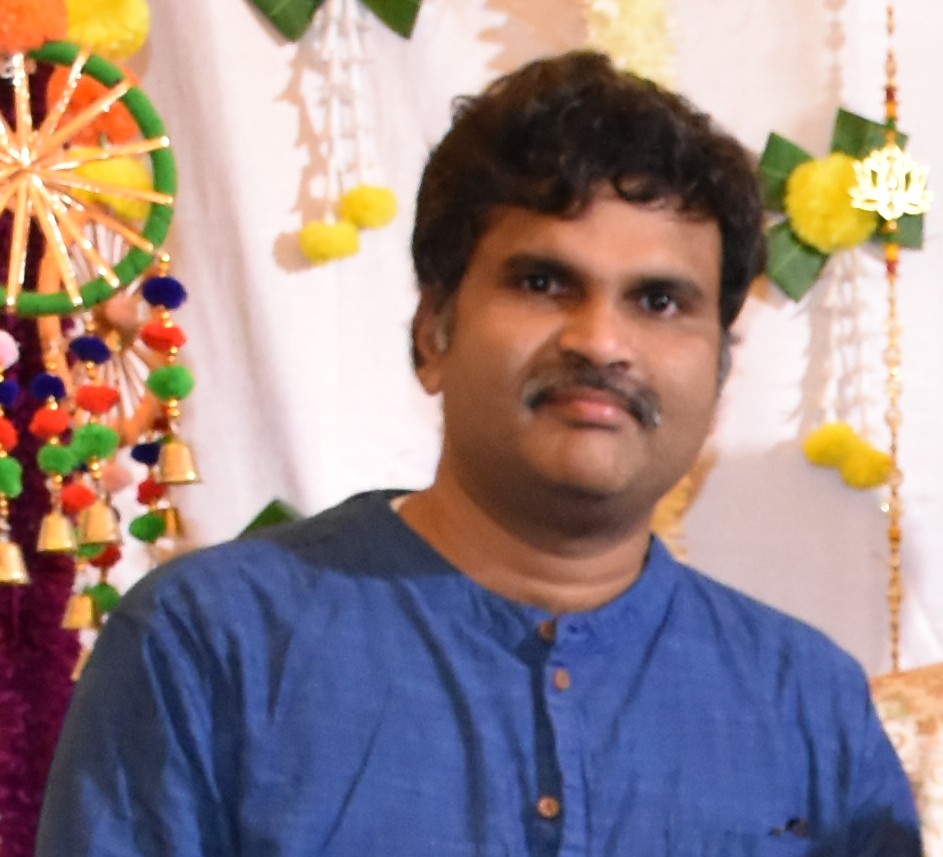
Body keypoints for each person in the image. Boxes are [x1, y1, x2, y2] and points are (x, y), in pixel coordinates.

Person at [37, 51, 919, 856]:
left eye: (658, 301)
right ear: (432, 333)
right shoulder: (210, 644)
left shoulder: (807, 702)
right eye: (542, 282)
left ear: (720, 370)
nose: (600, 341)